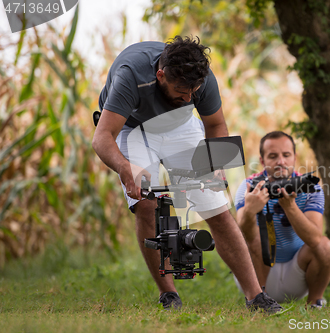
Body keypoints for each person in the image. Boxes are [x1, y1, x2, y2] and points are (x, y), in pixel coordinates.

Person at [92, 36, 282, 313]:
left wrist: (215, 165)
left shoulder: (201, 80)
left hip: (180, 128)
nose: (189, 97)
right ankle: (169, 295)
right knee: (146, 205)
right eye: (182, 90)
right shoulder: (131, 76)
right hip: (133, 128)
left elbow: (216, 124)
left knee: (216, 207)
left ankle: (256, 297)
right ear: (160, 75)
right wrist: (125, 168)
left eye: (194, 90)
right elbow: (102, 137)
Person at [234, 131, 330, 308]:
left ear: (294, 157)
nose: (280, 161)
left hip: (296, 273)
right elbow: (242, 236)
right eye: (273, 156)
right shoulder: (249, 186)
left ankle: (315, 302)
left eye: (286, 155)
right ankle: (259, 300)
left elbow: (315, 239)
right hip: (255, 273)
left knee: (326, 246)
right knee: (256, 238)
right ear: (262, 160)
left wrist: (290, 207)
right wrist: (250, 211)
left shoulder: (310, 186)